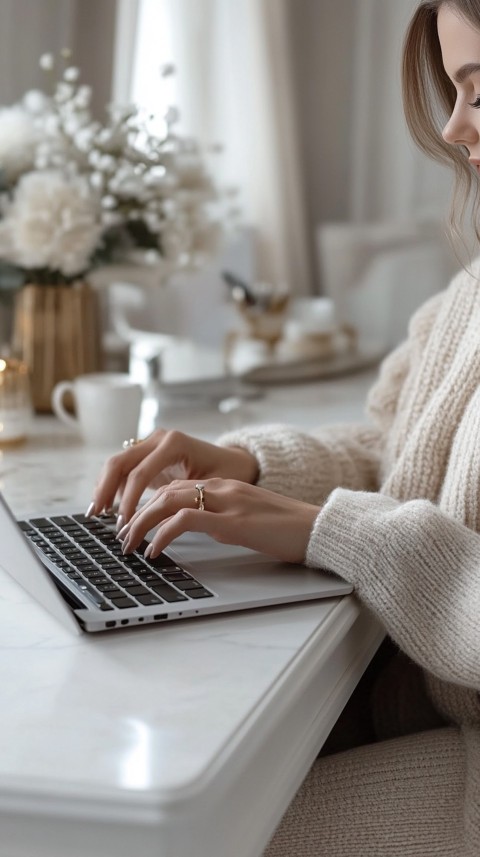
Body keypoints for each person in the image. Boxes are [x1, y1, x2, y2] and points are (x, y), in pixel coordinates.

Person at [88, 1, 480, 853]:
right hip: (413, 708)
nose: (452, 127)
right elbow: (395, 447)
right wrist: (251, 465)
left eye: (477, 91)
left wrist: (331, 530)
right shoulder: (473, 293)